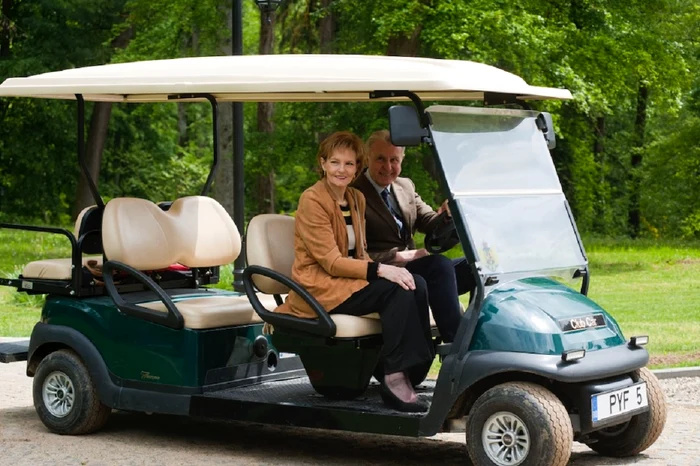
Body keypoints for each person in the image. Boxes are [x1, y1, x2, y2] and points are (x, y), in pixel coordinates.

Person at [275, 131, 434, 412]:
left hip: (347, 282)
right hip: (320, 288)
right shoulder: (312, 200)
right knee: (395, 291)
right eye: (335, 162)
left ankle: (414, 368)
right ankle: (394, 376)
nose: (342, 170)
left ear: (357, 168)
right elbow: (331, 262)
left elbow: (359, 252)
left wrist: (389, 269)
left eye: (349, 164)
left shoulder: (355, 198)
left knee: (415, 283)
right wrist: (380, 269)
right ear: (323, 163)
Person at [351, 130, 473, 343]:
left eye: (394, 160)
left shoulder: (404, 186)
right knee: (439, 265)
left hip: (413, 272)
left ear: (402, 160)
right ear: (367, 157)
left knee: (475, 266)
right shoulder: (353, 194)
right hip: (381, 276)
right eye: (380, 159)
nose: (388, 167)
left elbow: (429, 221)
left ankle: (476, 333)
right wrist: (403, 256)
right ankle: (457, 344)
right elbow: (354, 253)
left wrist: (447, 216)